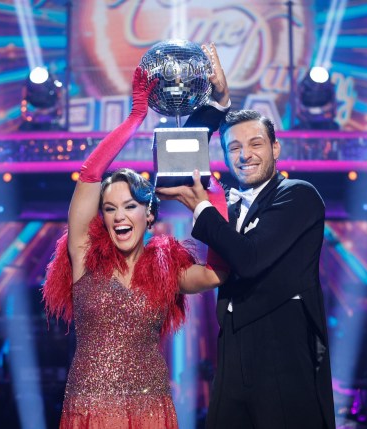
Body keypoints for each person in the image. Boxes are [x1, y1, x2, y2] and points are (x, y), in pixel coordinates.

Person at [43, 46, 230, 429]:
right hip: (89, 411)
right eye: (110, 209)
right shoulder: (83, 257)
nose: (118, 216)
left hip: (150, 412)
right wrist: (135, 117)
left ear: (148, 214)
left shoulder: (166, 269)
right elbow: (90, 175)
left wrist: (213, 192)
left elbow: (216, 273)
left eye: (129, 206)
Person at [158, 110, 336, 428]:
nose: (246, 155)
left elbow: (249, 259)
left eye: (255, 144)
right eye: (235, 147)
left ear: (275, 149)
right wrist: (217, 104)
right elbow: (183, 157)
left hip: (282, 345)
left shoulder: (298, 195)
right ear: (225, 156)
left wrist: (201, 207)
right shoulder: (226, 203)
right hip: (232, 344)